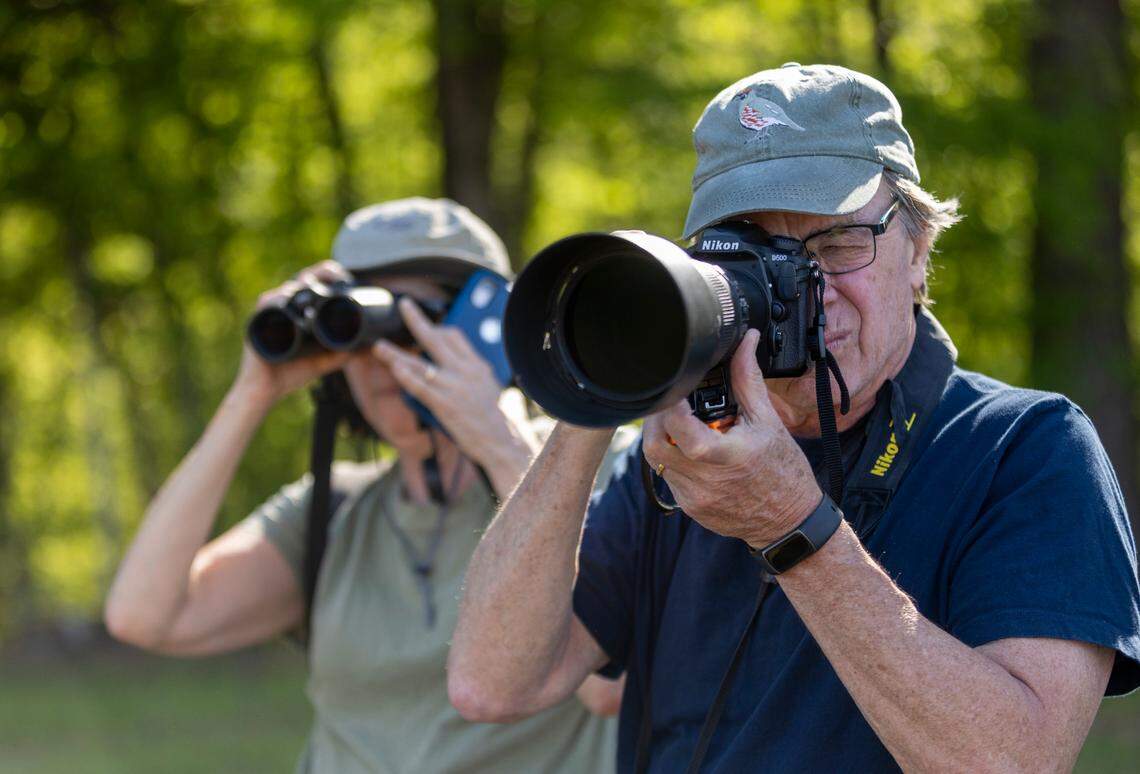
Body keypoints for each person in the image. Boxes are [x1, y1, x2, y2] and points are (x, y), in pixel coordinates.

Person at [447, 64, 1140, 772]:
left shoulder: (1025, 450)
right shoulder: (678, 455)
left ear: (920, 252)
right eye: (759, 257)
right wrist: (597, 380)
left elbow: (1014, 763)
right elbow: (491, 682)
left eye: (837, 245)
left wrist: (792, 528)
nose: (804, 293)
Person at [104, 198, 623, 773]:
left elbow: (610, 690)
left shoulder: (591, 461)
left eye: (407, 326)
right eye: (356, 329)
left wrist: (500, 443)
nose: (378, 359)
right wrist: (251, 394)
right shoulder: (334, 511)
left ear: (487, 330)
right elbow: (144, 615)